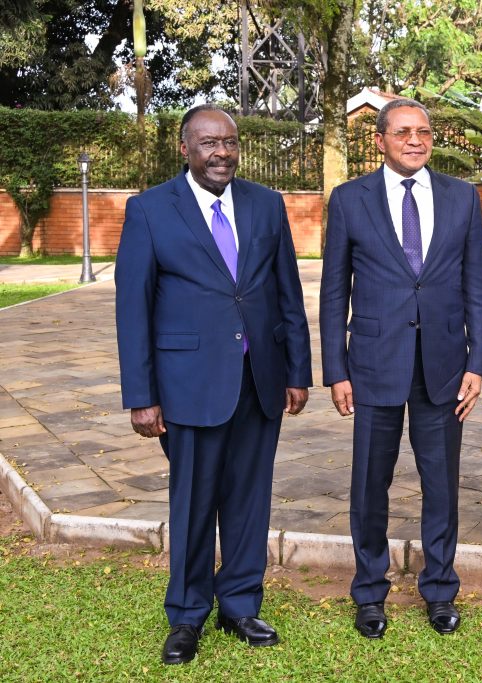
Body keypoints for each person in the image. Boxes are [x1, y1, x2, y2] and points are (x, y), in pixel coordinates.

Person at [115, 105, 312, 665]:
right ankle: (186, 614)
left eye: (229, 142)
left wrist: (298, 371)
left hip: (260, 379)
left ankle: (240, 603)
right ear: (185, 149)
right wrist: (141, 395)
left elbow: (287, 293)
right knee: (195, 503)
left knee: (249, 501)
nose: (221, 152)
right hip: (188, 386)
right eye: (208, 143)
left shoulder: (267, 205)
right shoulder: (150, 210)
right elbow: (133, 310)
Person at [320, 98, 482, 639]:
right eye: (402, 132)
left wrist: (478, 361)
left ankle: (440, 591)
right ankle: (370, 594)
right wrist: (336, 369)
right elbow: (332, 293)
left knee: (441, 486)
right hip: (372, 367)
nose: (415, 140)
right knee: (370, 486)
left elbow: (477, 286)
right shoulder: (349, 200)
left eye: (423, 131)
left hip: (444, 367)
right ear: (379, 140)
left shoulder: (462, 198)